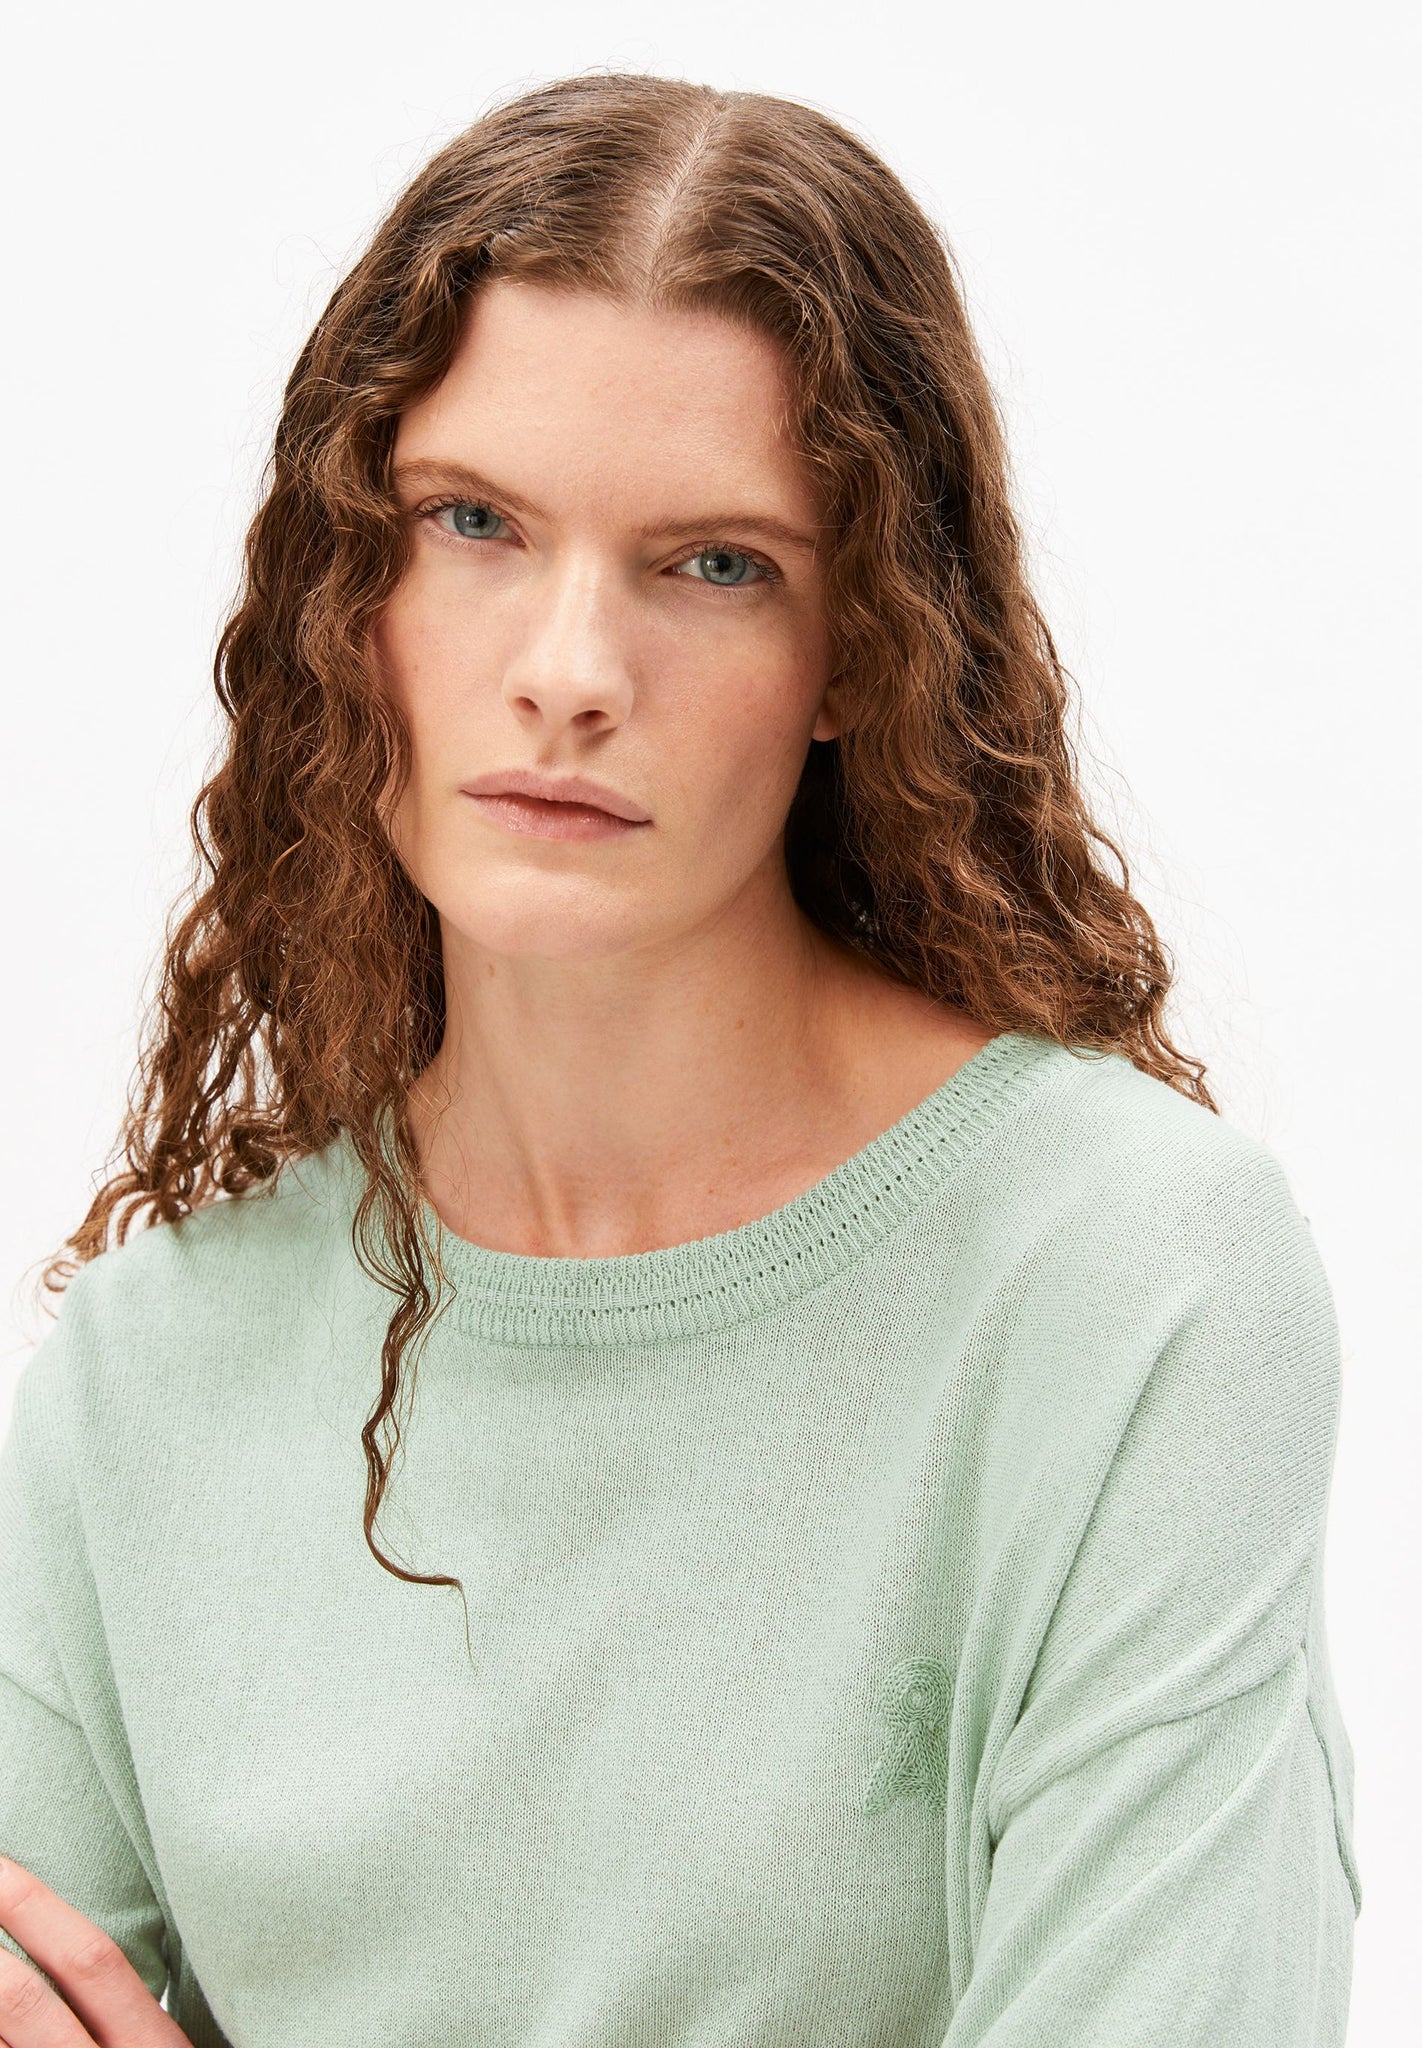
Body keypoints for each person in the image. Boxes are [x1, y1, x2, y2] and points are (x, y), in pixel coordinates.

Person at [0, 69, 1359, 2048]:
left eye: (713, 562)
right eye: (472, 523)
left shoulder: (1133, 1290)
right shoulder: (149, 1371)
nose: (569, 671)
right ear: (348, 591)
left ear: (859, 651)